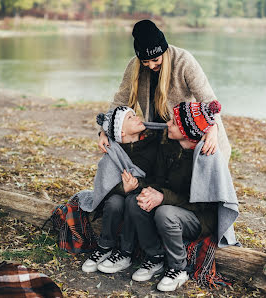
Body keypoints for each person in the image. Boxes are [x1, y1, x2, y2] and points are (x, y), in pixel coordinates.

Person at [97, 101, 239, 292]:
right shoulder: (169, 146)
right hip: (173, 204)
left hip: (199, 216)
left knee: (164, 213)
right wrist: (142, 188)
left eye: (173, 122)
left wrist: (162, 197)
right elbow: (157, 179)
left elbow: (201, 204)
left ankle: (178, 268)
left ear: (186, 131)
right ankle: (154, 257)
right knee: (134, 201)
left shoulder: (207, 156)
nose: (168, 124)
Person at [98, 19, 231, 164]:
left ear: (163, 50)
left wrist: (213, 129)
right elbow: (120, 101)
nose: (151, 65)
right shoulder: (134, 67)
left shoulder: (184, 61)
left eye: (155, 59)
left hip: (183, 131)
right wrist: (104, 131)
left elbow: (208, 100)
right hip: (155, 131)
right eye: (145, 61)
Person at [81, 106, 161, 273]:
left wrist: (137, 184)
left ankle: (125, 253)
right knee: (114, 202)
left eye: (134, 114)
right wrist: (122, 188)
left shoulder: (152, 145)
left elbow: (159, 177)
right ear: (121, 133)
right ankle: (105, 246)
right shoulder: (114, 152)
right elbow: (104, 187)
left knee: (133, 201)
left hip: (145, 192)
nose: (137, 117)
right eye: (130, 117)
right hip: (121, 192)